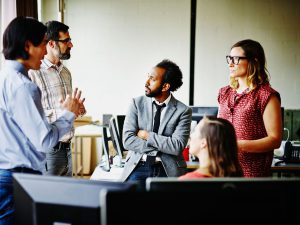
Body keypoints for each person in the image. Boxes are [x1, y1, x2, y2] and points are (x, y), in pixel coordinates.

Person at [0, 16, 83, 224]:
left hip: (9, 173)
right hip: (17, 176)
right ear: (28, 46)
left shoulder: (5, 77)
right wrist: (68, 115)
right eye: (43, 45)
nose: (45, 51)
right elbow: (44, 140)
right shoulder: (24, 86)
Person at [120, 59, 192, 188]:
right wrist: (164, 147)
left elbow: (177, 147)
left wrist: (147, 136)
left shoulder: (183, 111)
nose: (146, 82)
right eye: (148, 77)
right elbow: (128, 140)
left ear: (165, 86)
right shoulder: (136, 103)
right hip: (138, 166)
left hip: (168, 170)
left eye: (152, 79)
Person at [217, 39, 282, 177]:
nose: (231, 64)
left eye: (236, 59)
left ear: (254, 61)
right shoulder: (224, 92)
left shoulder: (266, 95)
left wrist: (237, 145)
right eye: (229, 58)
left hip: (252, 174)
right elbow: (219, 129)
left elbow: (275, 139)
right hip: (222, 170)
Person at [29, 20, 86, 176]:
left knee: (64, 198)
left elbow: (67, 110)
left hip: (67, 147)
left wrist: (76, 109)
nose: (71, 45)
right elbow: (32, 116)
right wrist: (65, 112)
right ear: (52, 44)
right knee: (46, 197)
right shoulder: (33, 72)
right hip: (48, 150)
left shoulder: (66, 73)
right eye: (66, 41)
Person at [179, 116, 243, 179]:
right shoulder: (237, 179)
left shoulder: (186, 181)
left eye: (195, 131)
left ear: (203, 143)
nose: (190, 135)